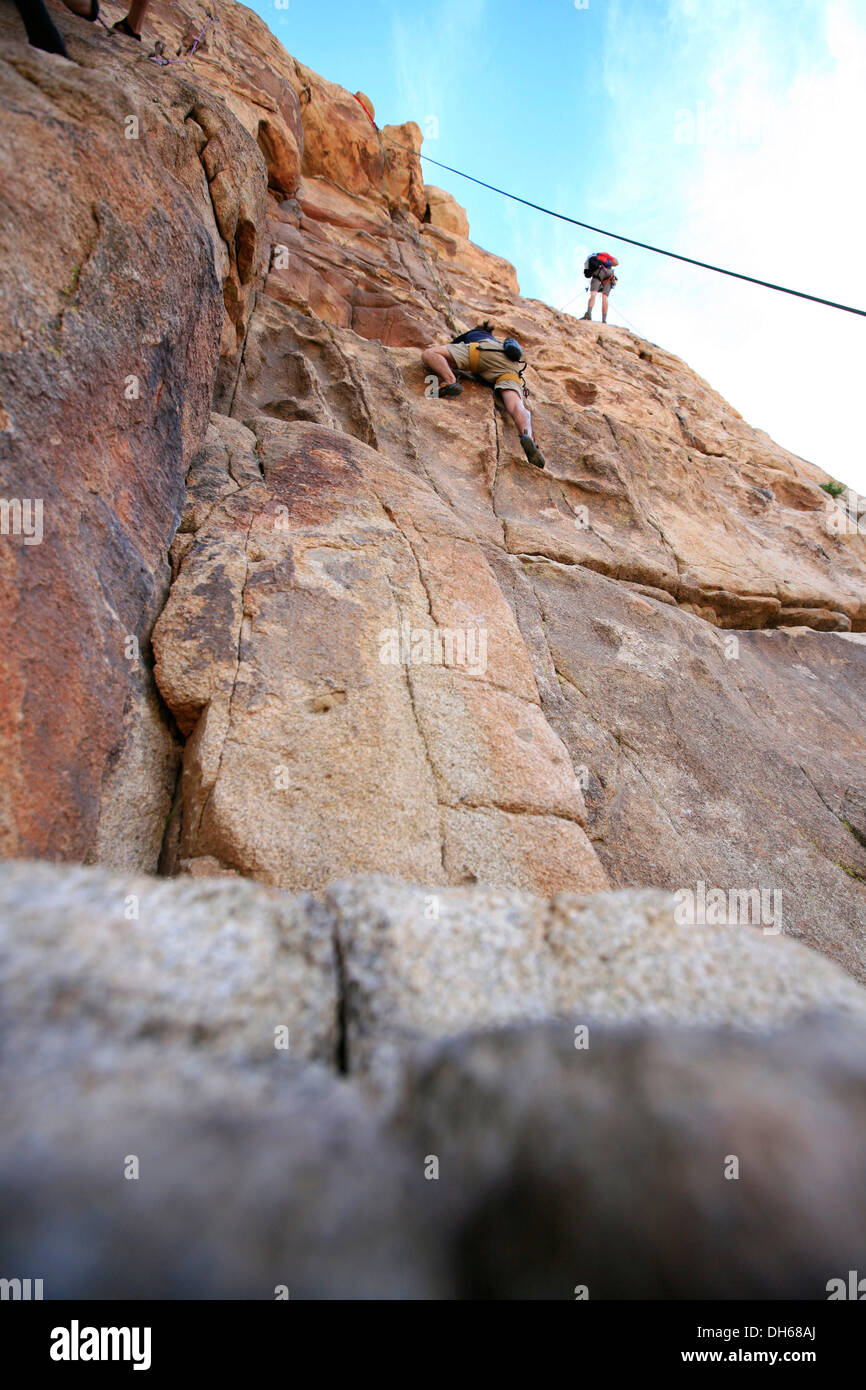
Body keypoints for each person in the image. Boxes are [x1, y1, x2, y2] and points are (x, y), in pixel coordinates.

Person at [420, 322, 546, 469]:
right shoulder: (503, 345)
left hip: (483, 352)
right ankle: (528, 437)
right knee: (515, 405)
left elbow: (448, 355)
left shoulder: (472, 334)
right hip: (510, 366)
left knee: (430, 354)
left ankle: (450, 381)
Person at [582, 252, 618, 323]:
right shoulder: (603, 254)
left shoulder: (590, 259)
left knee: (593, 294)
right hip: (608, 273)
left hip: (598, 273)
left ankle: (588, 314)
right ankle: (604, 320)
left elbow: (587, 275)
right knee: (604, 297)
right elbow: (616, 263)